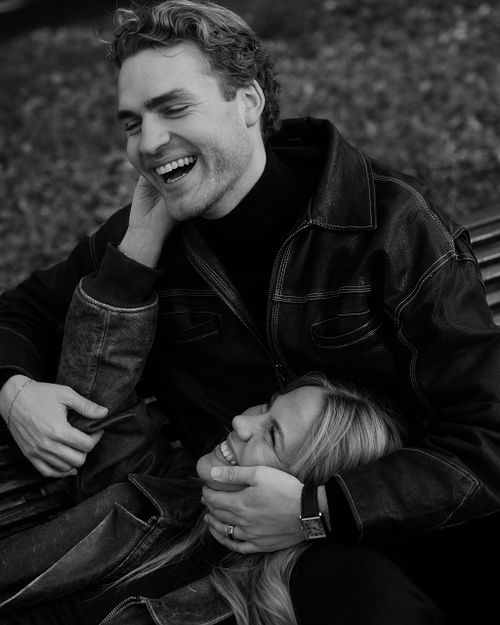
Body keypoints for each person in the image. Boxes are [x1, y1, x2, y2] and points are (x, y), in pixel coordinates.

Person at [0, 0, 500, 623]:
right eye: (132, 122)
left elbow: (488, 436)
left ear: (248, 102)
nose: (148, 144)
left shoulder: (391, 227)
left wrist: (316, 510)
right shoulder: (147, 233)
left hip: (405, 530)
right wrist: (13, 390)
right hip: (231, 549)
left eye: (173, 108)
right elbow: (18, 314)